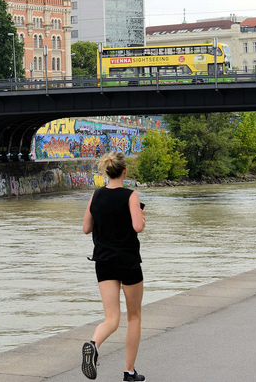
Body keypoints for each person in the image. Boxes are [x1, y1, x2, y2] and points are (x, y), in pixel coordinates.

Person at [81, 151, 146, 381]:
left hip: (104, 263)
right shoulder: (131, 195)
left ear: (107, 172)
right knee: (134, 317)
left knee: (111, 319)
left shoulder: (96, 195)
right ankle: (129, 372)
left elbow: (86, 228)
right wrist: (142, 215)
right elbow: (137, 227)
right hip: (128, 262)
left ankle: (94, 344)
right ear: (124, 171)